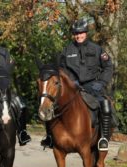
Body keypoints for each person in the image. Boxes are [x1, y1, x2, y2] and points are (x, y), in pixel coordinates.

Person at [41, 19, 115, 151]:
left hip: (93, 86)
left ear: (86, 33)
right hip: (72, 87)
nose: (78, 35)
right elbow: (61, 70)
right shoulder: (67, 50)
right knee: (50, 104)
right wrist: (69, 82)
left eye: (81, 33)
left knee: (105, 104)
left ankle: (103, 138)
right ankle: (50, 137)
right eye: (76, 33)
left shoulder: (97, 49)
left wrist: (102, 82)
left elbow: (108, 67)